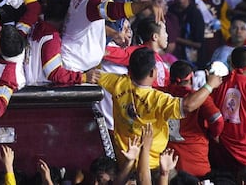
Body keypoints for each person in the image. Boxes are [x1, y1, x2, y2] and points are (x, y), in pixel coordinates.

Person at [88, 47, 222, 170]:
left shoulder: (118, 83)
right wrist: (210, 85)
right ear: (153, 72)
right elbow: (188, 105)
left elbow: (91, 74)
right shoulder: (158, 99)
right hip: (152, 165)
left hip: (125, 159)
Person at [61, 0, 162, 73]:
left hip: (78, 64)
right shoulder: (90, 4)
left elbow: (88, 26)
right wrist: (146, 4)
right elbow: (114, 10)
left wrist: (113, 33)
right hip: (72, 67)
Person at [164, 60, 224, 178]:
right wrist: (214, 134)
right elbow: (217, 120)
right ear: (191, 77)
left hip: (167, 164)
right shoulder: (201, 98)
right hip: (196, 164)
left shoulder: (159, 93)